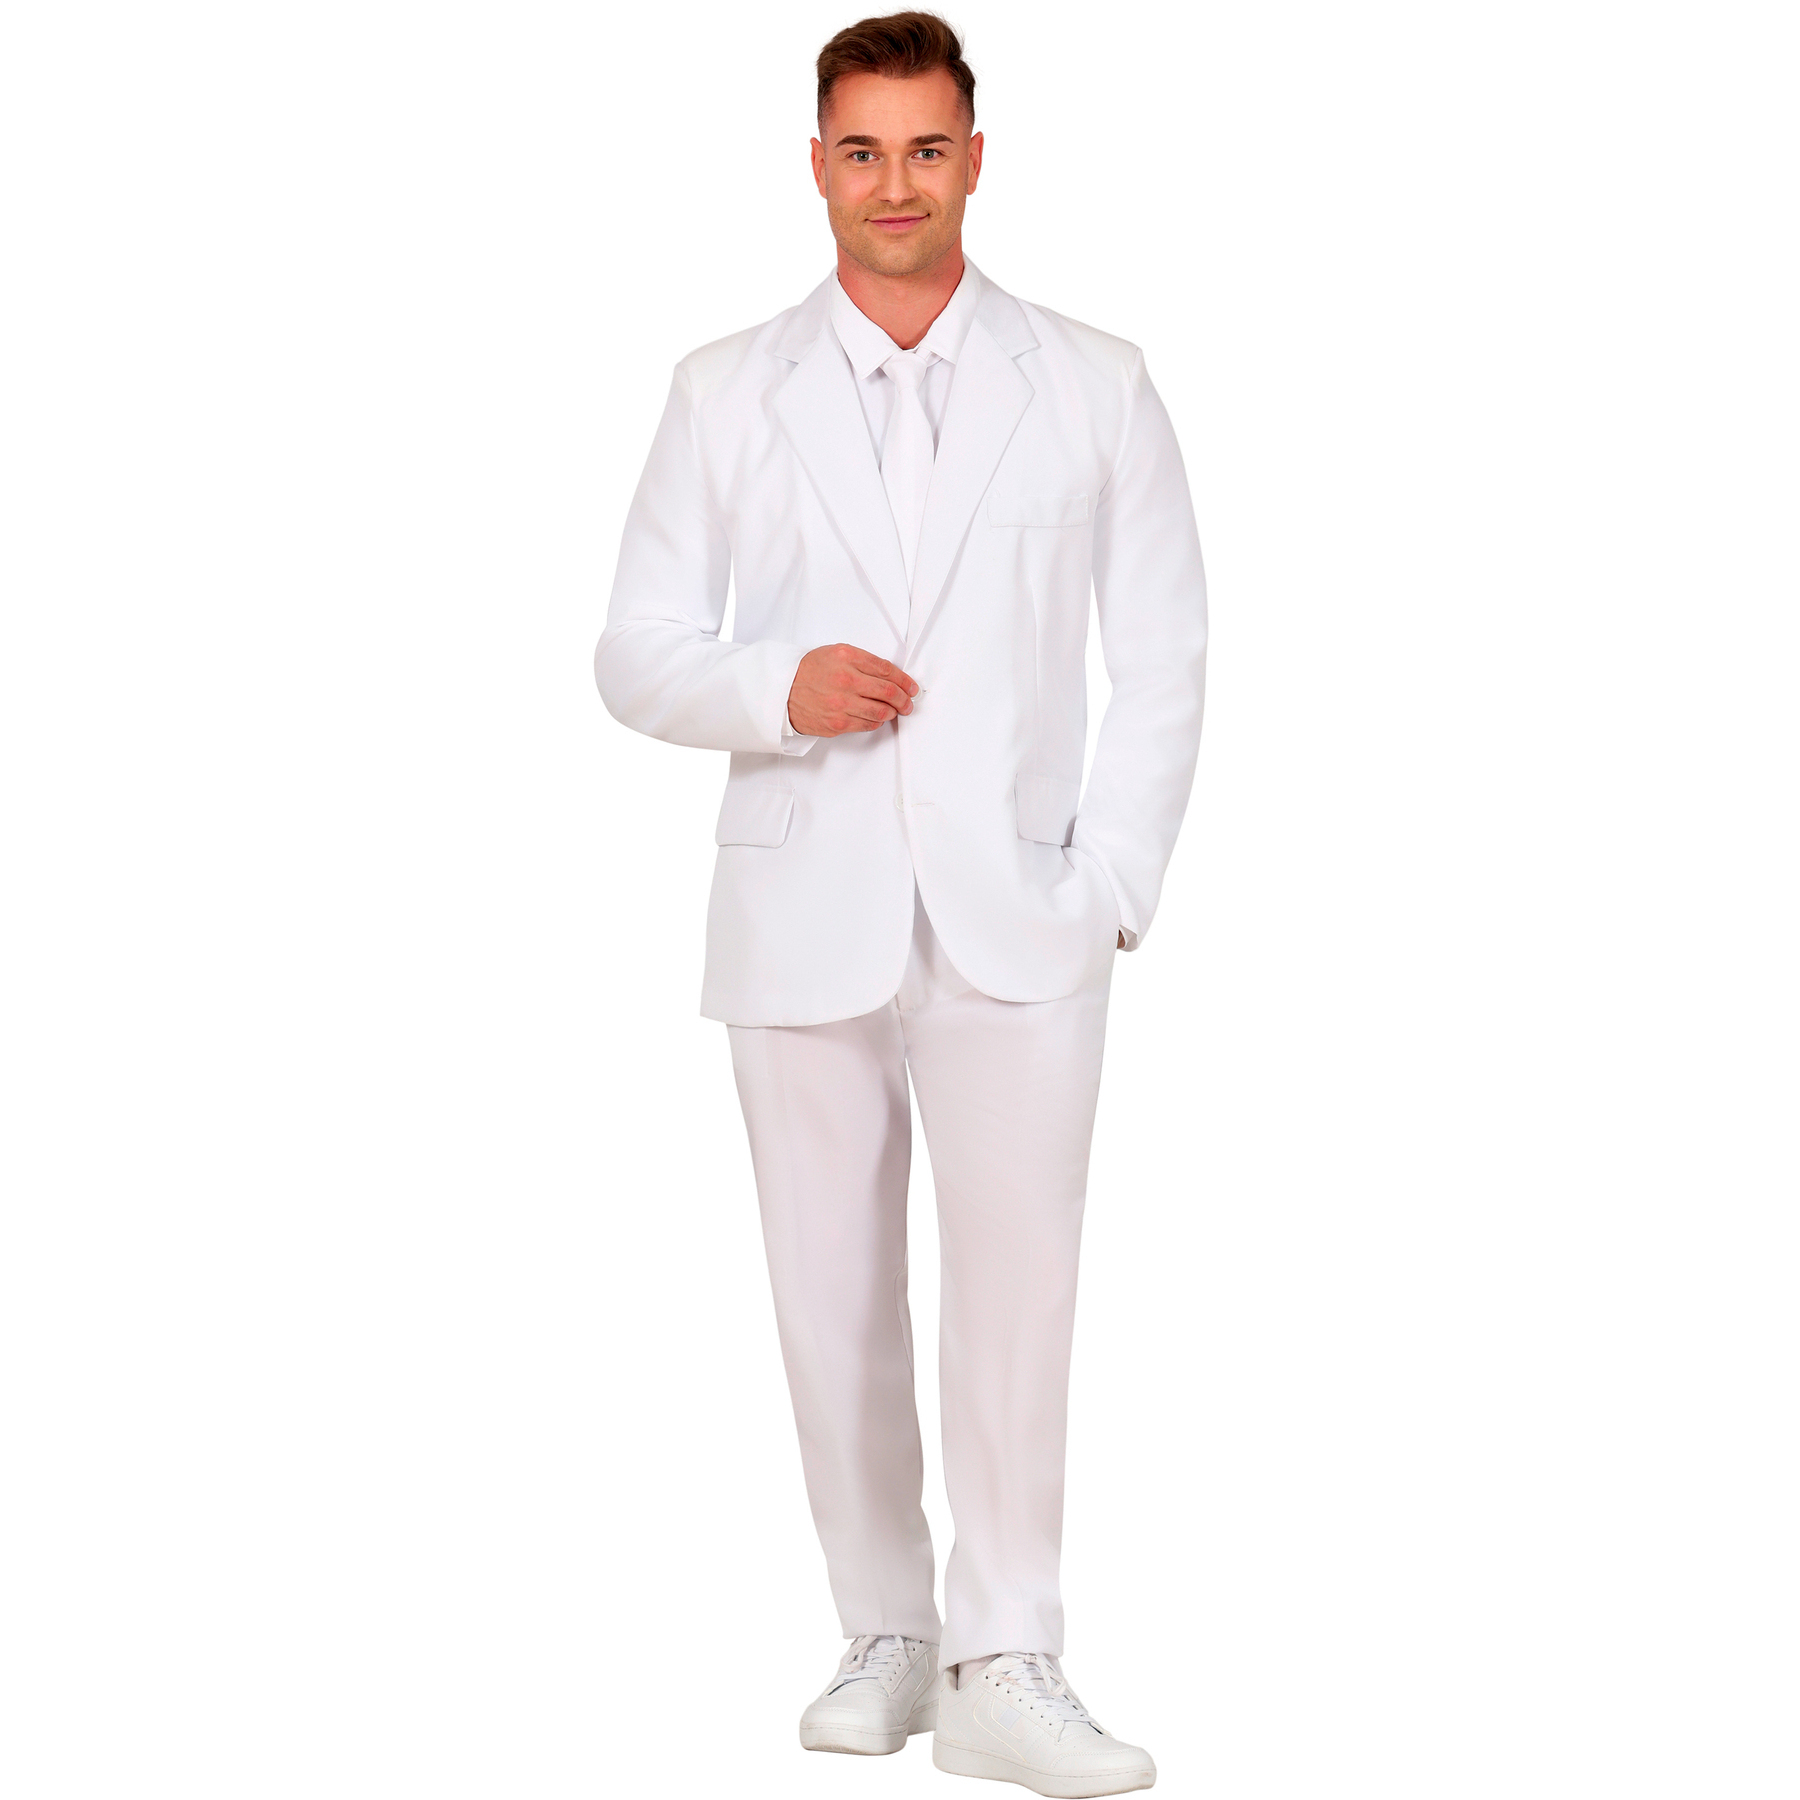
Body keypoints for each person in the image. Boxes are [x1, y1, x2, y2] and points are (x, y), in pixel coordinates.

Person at [595, 13, 1206, 1794]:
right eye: (860, 151)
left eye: (925, 149)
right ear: (816, 165)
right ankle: (887, 1628)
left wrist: (1109, 884)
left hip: (1023, 911)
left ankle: (1010, 1653)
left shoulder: (1095, 380)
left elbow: (1165, 655)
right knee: (828, 1296)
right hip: (804, 902)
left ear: (975, 160)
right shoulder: (725, 388)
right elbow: (633, 649)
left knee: (1021, 1294)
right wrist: (773, 688)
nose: (894, 185)